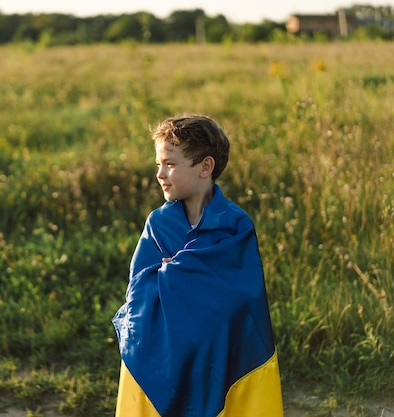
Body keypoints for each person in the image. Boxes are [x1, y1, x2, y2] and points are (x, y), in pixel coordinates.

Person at [112, 114, 283, 417]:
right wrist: (189, 273)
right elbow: (139, 287)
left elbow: (240, 296)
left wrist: (172, 269)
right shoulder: (159, 223)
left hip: (216, 353)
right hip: (162, 349)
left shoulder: (234, 225)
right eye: (158, 165)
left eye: (171, 164)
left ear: (206, 167)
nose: (160, 174)